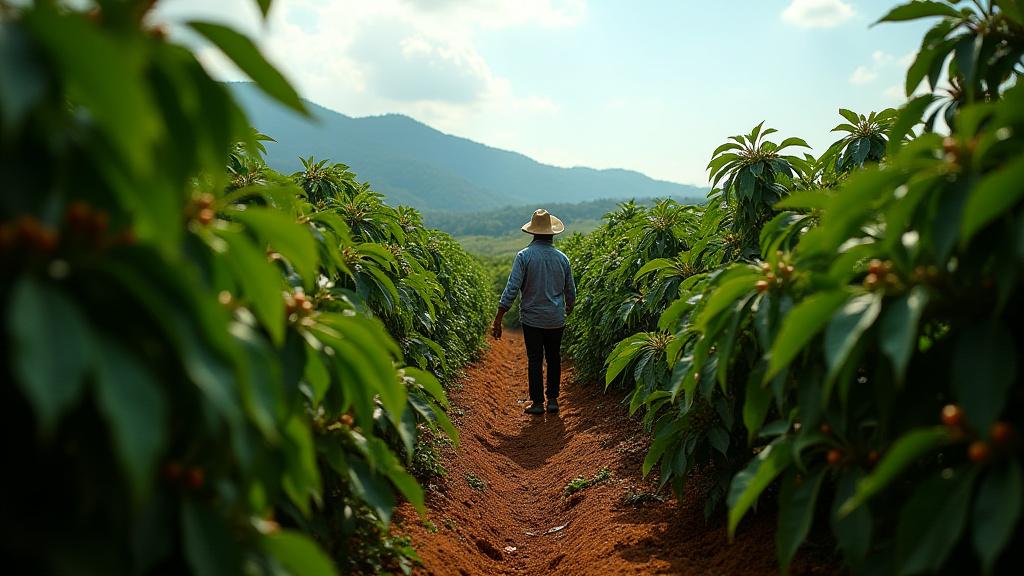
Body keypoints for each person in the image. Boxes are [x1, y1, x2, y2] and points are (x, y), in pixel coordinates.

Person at [491, 209, 576, 415]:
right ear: (552, 233)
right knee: (554, 357)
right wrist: (569, 307)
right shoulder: (562, 258)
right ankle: (553, 400)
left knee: (535, 358)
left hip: (532, 319)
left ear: (533, 233)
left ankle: (538, 403)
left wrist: (499, 317)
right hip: (556, 318)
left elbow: (512, 288)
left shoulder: (524, 256)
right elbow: (570, 290)